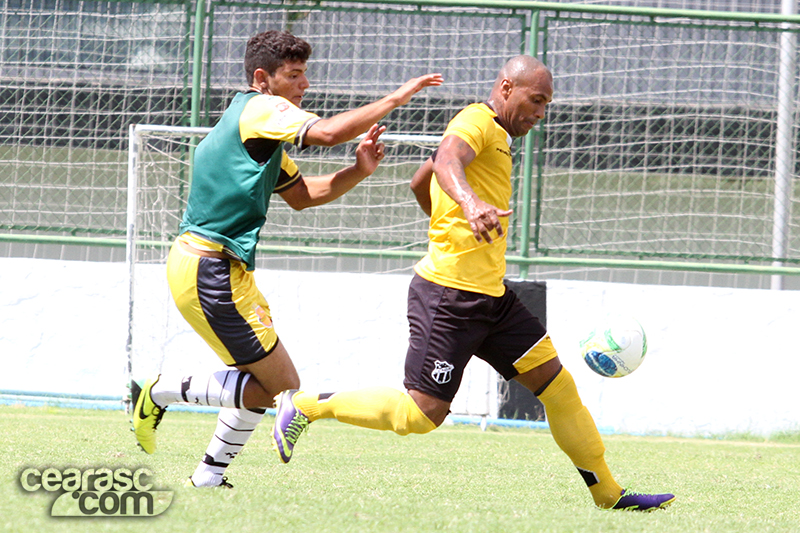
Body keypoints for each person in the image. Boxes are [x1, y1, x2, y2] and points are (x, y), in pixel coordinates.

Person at [270, 55, 675, 511]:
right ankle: (305, 404)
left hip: (493, 298)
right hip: (449, 295)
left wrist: (452, 216)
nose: (541, 112)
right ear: (506, 87)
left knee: (558, 387)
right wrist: (468, 203)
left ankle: (609, 493)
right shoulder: (476, 121)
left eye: (547, 104)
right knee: (422, 415)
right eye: (535, 100)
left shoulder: (497, 134)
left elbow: (421, 180)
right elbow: (446, 160)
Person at [130, 29, 443, 488]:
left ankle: (209, 478)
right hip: (208, 266)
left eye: (304, 74)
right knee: (281, 388)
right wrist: (398, 96)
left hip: (218, 269)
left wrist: (358, 170)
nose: (304, 84)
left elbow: (302, 196)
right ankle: (158, 392)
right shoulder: (260, 109)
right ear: (263, 79)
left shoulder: (260, 133)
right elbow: (330, 132)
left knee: (259, 382)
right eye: (294, 75)